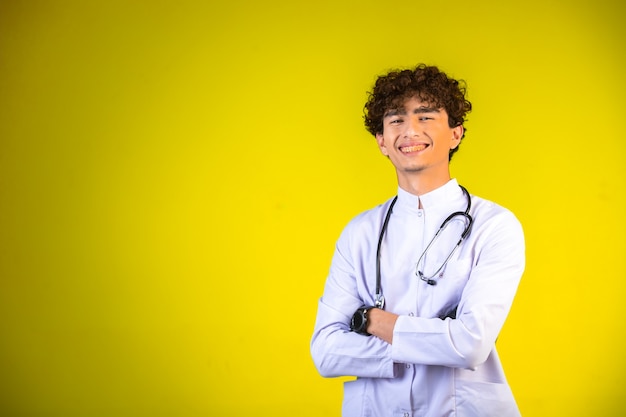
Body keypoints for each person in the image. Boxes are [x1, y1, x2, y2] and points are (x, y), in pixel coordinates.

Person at [310, 64, 525, 417]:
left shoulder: (494, 226)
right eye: (396, 119)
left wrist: (370, 321)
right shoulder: (360, 233)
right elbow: (326, 351)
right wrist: (430, 342)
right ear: (381, 141)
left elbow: (470, 345)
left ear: (456, 133)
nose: (410, 130)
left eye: (425, 117)